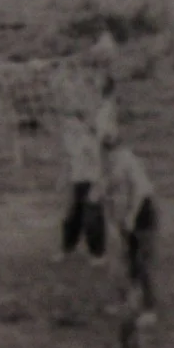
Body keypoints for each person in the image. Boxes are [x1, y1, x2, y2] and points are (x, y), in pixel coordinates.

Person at [94, 129, 160, 327]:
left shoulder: (127, 160)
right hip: (126, 214)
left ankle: (150, 310)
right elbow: (110, 184)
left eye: (111, 149)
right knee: (128, 260)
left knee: (141, 262)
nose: (108, 154)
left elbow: (141, 191)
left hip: (143, 213)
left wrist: (131, 217)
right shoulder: (111, 162)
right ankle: (129, 302)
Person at [55, 110, 105, 264]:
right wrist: (63, 179)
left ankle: (98, 254)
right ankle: (67, 249)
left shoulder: (89, 140)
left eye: (73, 122)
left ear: (81, 123)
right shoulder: (69, 140)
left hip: (91, 181)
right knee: (71, 217)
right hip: (77, 182)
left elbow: (99, 164)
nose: (69, 126)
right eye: (67, 123)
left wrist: (97, 185)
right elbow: (68, 161)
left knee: (92, 218)